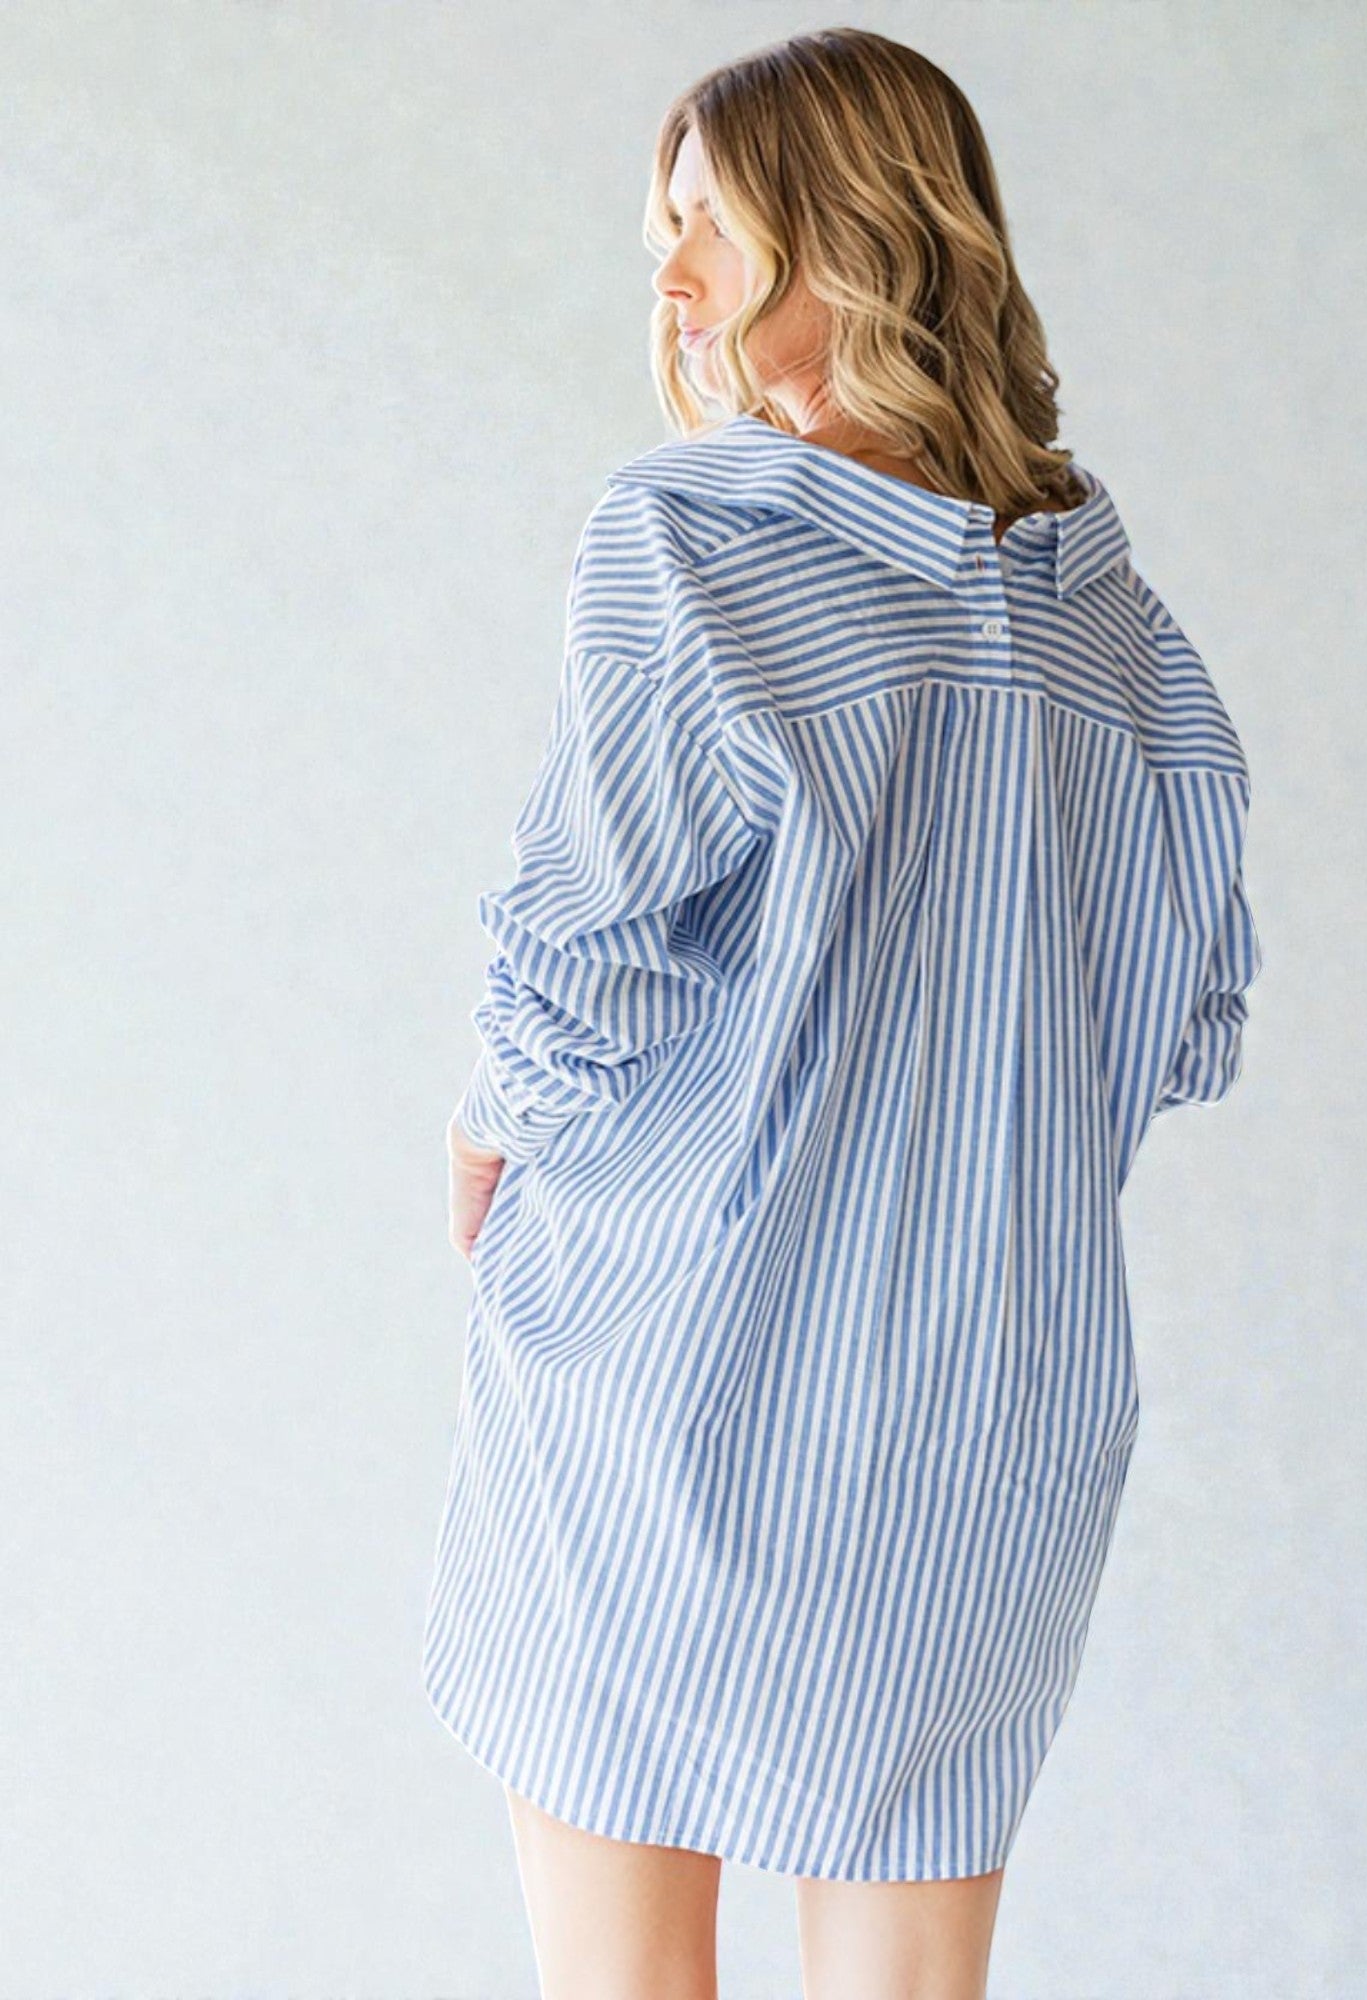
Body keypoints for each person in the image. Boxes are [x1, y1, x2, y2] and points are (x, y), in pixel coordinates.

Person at [424, 27, 1263, 2000]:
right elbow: (1188, 1023)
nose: (671, 272)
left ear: (851, 226)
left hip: (670, 1385)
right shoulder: (1129, 649)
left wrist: (476, 1139)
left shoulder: (694, 547)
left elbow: (572, 964)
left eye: (707, 217)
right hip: (994, 1429)